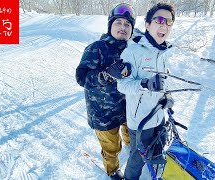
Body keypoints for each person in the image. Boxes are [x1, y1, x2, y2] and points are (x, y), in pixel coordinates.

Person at [75, 3, 136, 180]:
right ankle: (112, 169)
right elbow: (81, 77)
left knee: (130, 134)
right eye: (118, 23)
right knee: (111, 147)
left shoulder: (132, 50)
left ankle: (130, 147)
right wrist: (107, 74)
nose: (123, 28)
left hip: (128, 108)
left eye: (127, 24)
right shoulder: (97, 48)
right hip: (104, 114)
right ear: (110, 25)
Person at [117, 2, 176, 180]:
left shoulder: (164, 51)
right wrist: (144, 84)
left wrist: (168, 96)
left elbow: (165, 80)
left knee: (157, 148)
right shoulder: (132, 52)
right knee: (137, 159)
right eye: (159, 20)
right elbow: (122, 85)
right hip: (140, 120)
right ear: (148, 25)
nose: (164, 25)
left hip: (158, 115)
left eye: (169, 21)